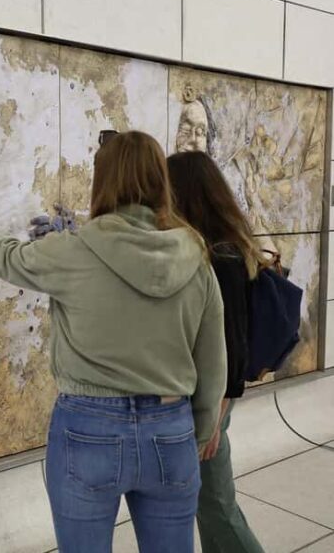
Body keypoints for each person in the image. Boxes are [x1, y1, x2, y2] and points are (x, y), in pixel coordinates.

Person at [0, 131, 226, 553]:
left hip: (87, 429)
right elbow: (212, 360)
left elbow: (9, 257)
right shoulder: (195, 257)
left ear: (101, 181)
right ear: (161, 181)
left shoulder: (72, 251)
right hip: (171, 430)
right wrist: (202, 429)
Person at [168, 150, 265, 553]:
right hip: (209, 396)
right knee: (209, 506)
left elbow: (232, 347)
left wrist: (215, 416)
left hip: (213, 399)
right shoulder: (214, 248)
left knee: (217, 505)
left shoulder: (221, 259)